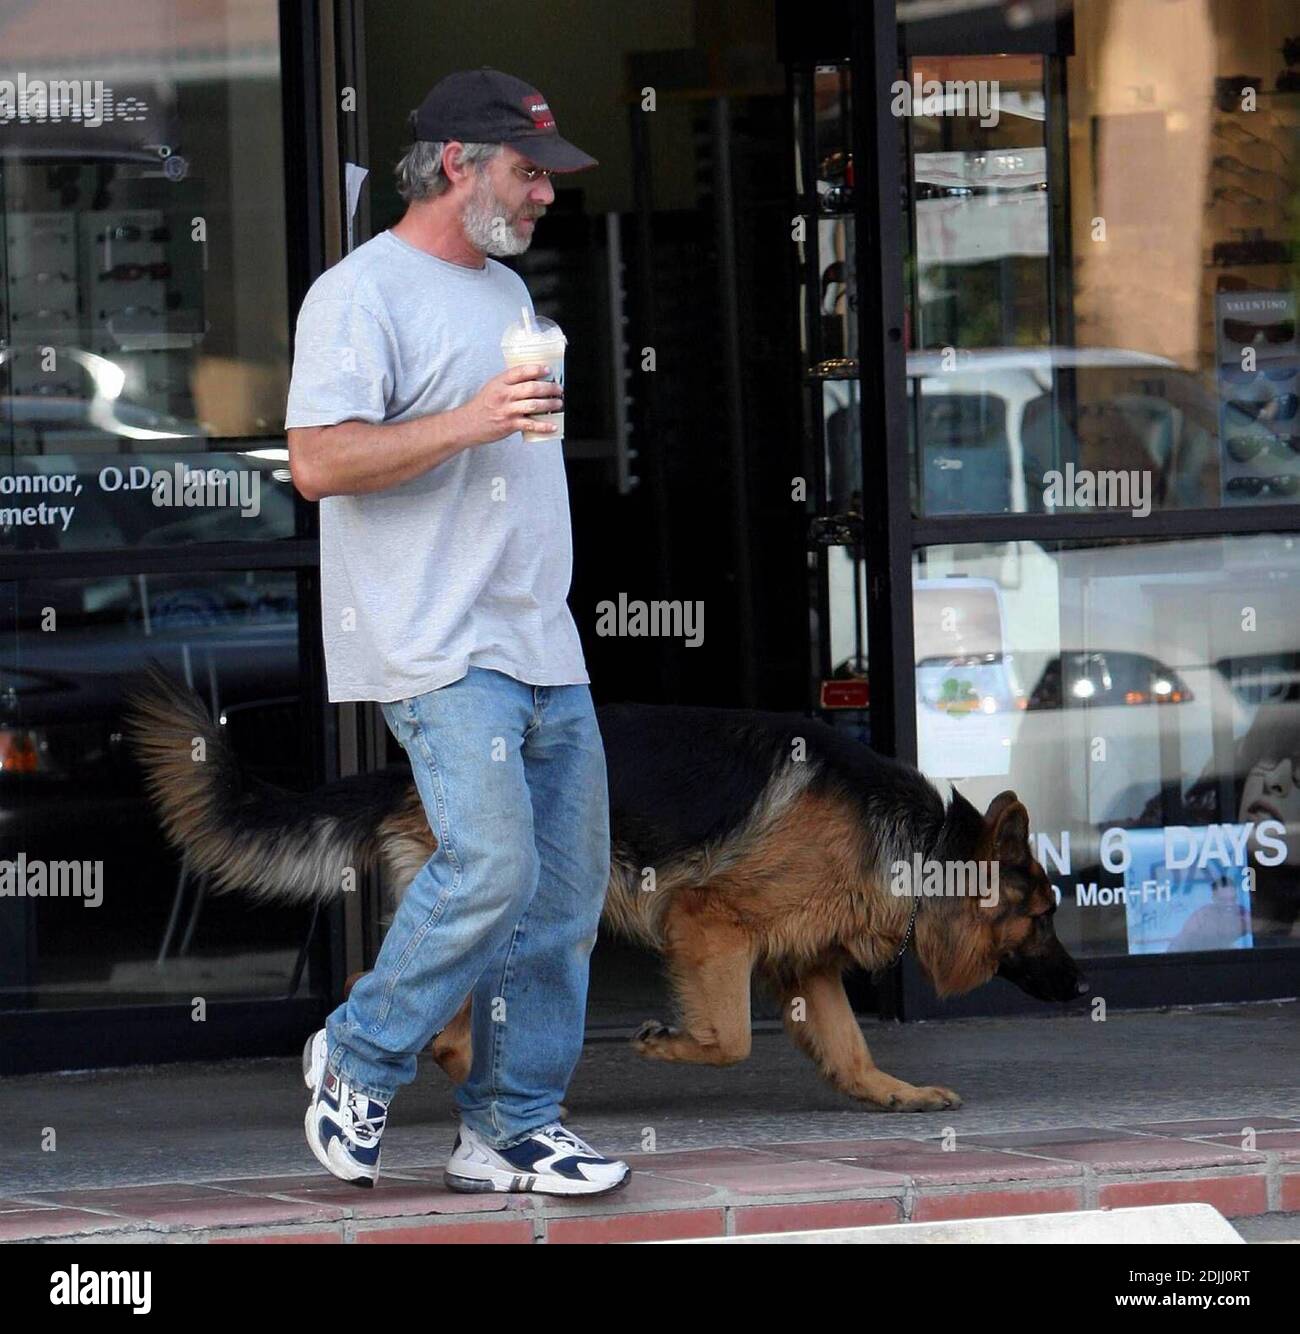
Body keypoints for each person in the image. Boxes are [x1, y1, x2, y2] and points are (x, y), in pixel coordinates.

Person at [284, 67, 628, 1196]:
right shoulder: (358, 292)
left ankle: (509, 1125)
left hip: (541, 638)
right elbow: (319, 460)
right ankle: (362, 1052)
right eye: (529, 173)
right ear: (456, 165)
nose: (545, 196)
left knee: (566, 898)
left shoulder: (509, 299)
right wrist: (473, 417)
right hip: (436, 639)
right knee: (490, 861)